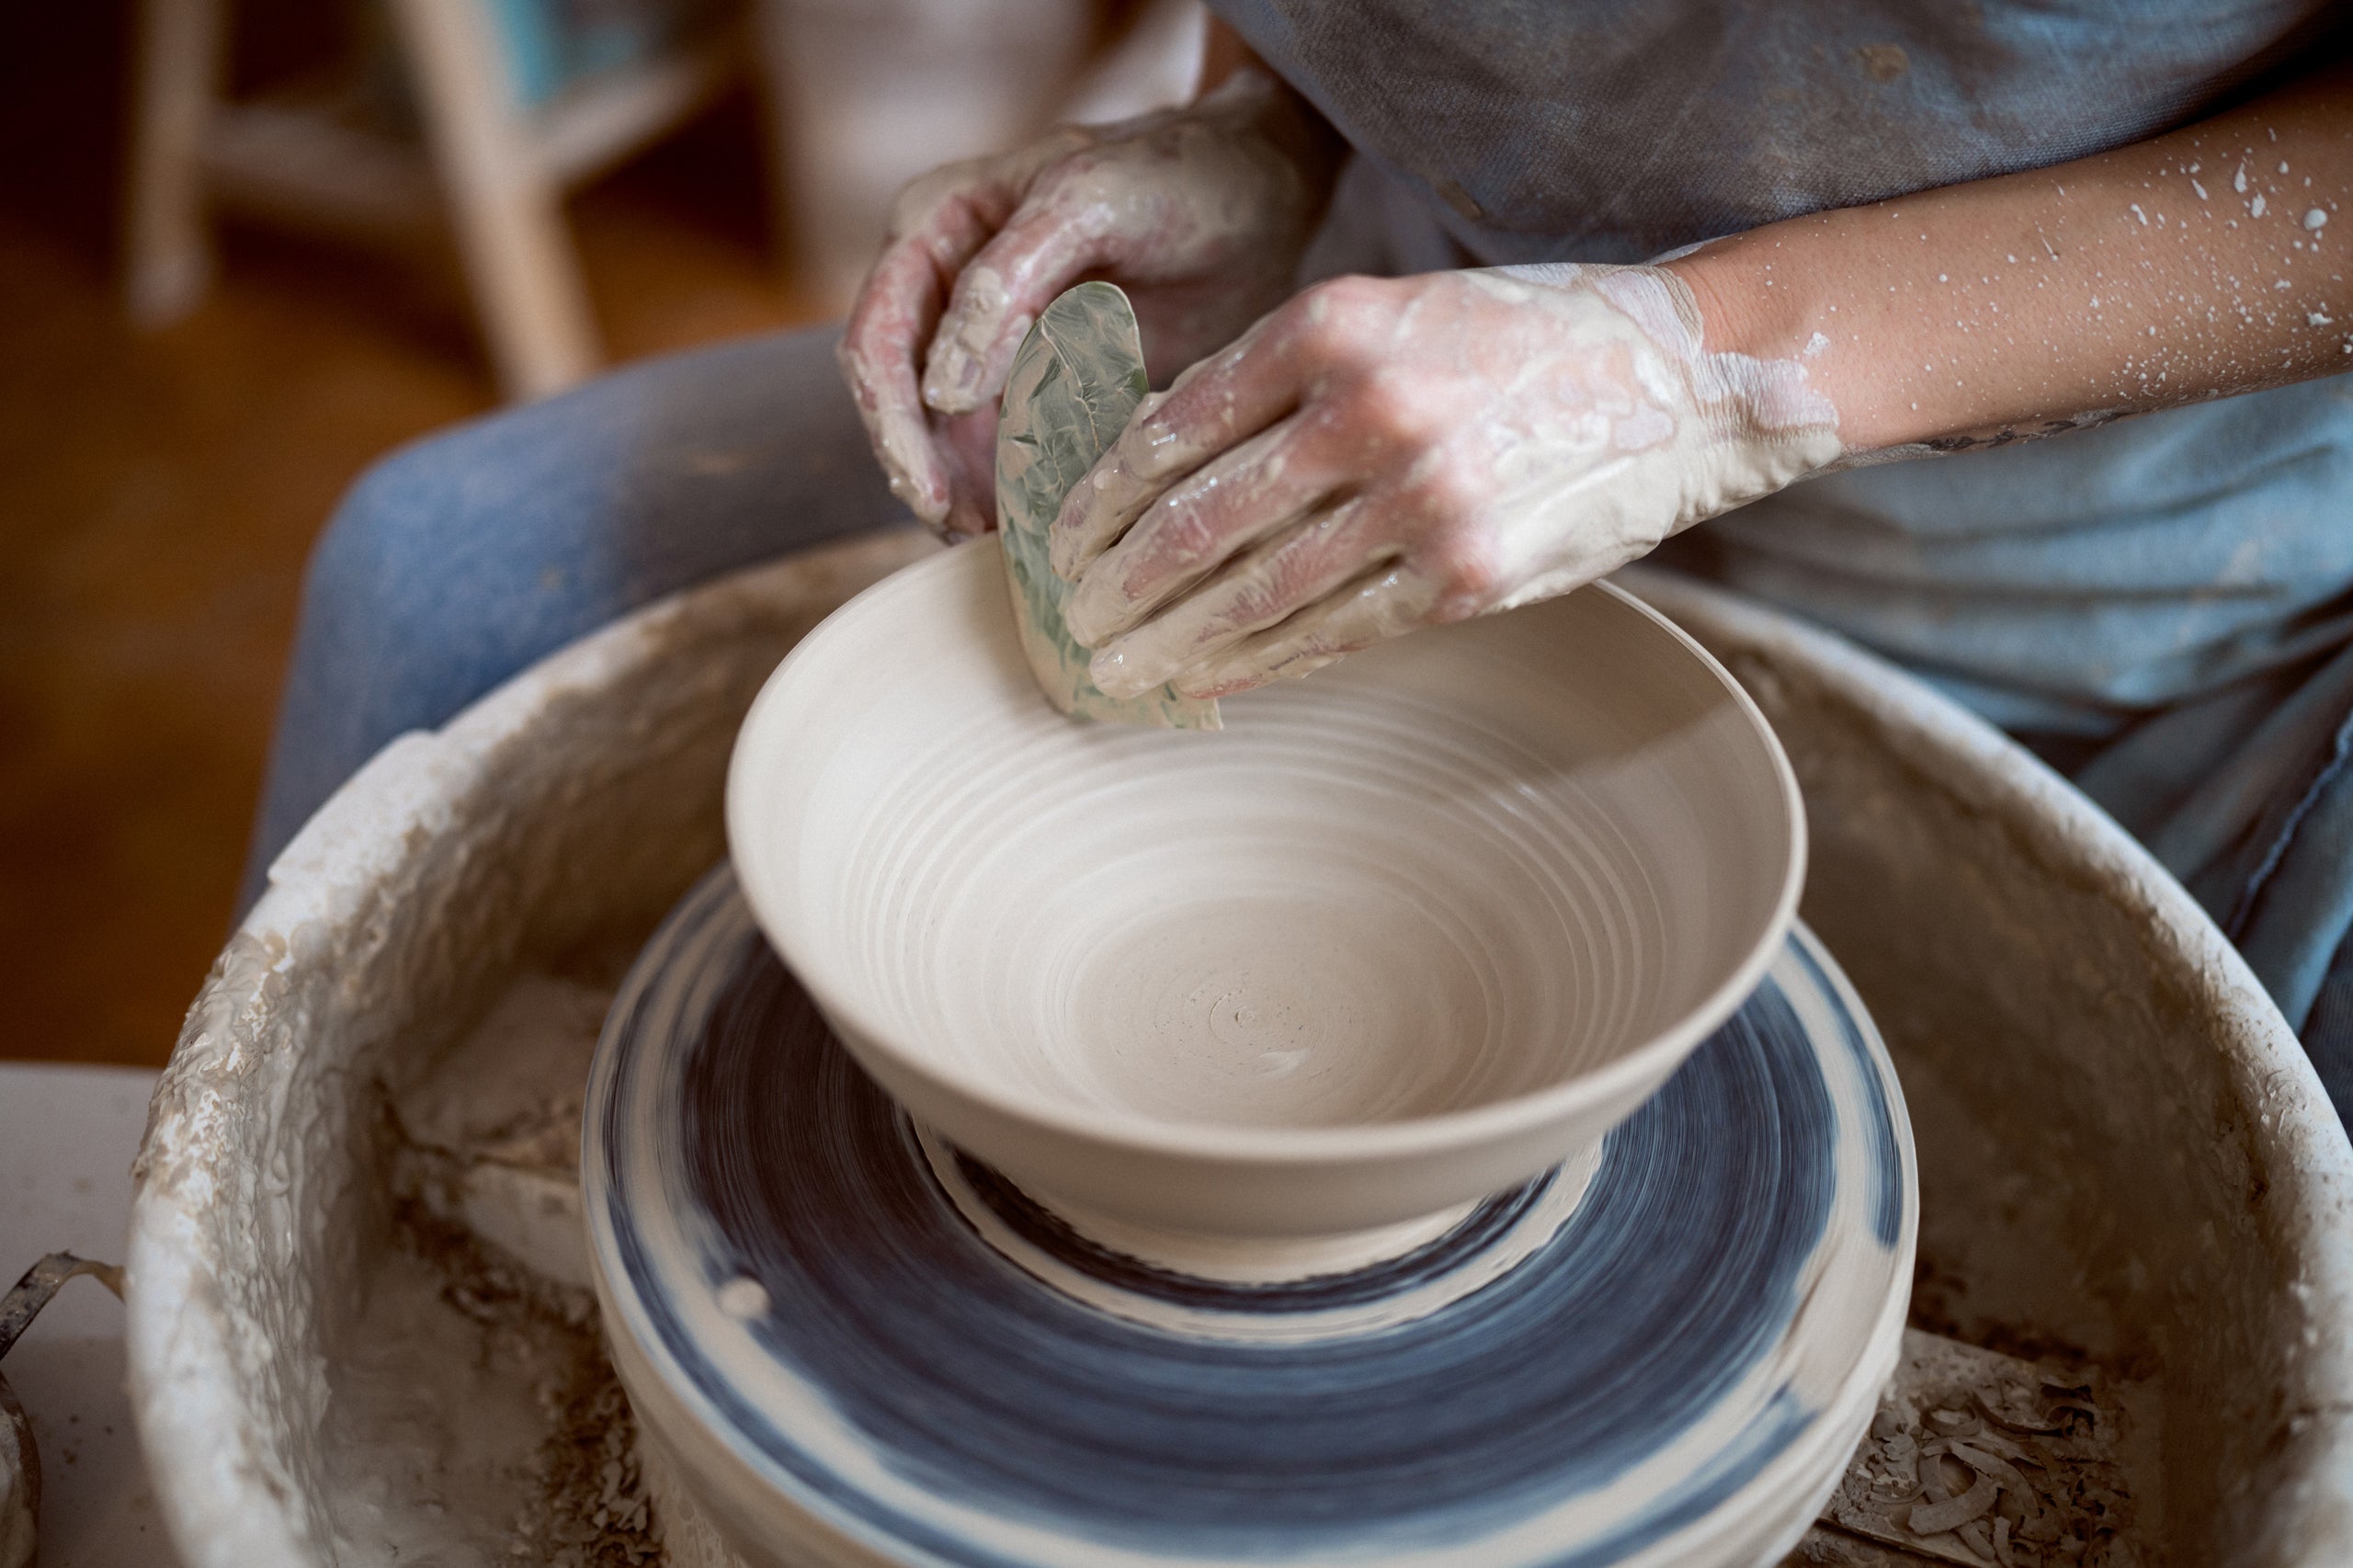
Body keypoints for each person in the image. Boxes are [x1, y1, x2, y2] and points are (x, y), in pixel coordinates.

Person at [247, 8, 2353, 1116]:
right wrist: (1262, 126)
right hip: (1380, 360)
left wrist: (1709, 371)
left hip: (2128, 608)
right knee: (443, 579)